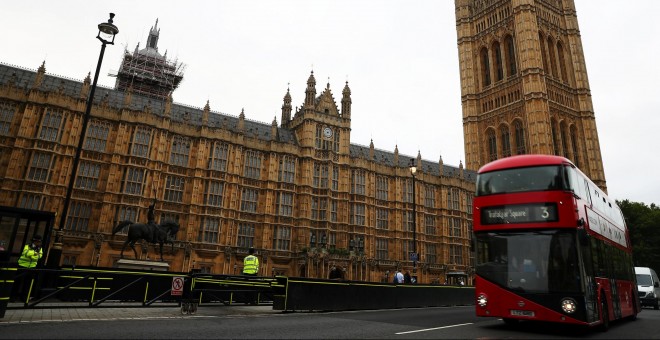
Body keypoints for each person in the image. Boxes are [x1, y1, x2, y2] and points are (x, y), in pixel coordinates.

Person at [15, 235, 43, 302]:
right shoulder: (27, 246)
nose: (39, 243)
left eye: (40, 242)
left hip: (32, 268)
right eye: (38, 242)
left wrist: (33, 256)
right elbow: (26, 254)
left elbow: (40, 256)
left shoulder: (40, 248)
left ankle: (24, 299)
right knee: (17, 282)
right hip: (22, 266)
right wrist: (34, 253)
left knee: (28, 284)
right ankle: (13, 297)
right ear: (35, 241)